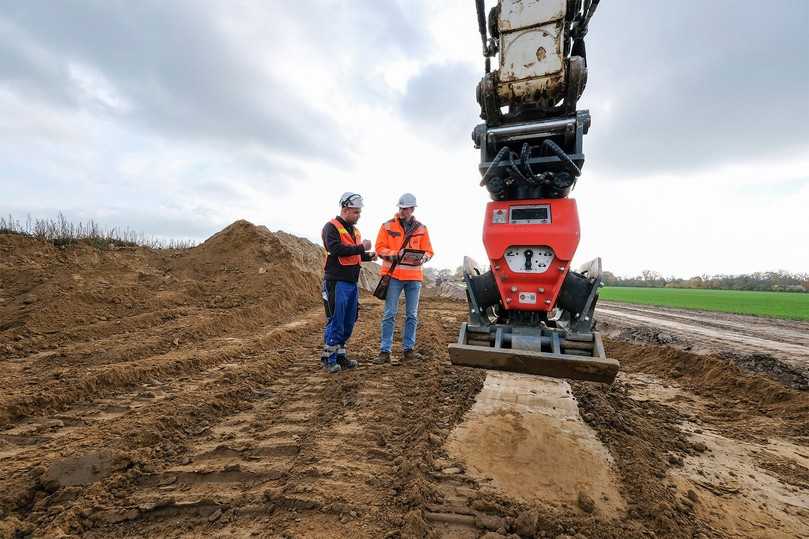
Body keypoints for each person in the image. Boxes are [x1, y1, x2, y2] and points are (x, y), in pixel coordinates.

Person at [373, 193, 434, 366]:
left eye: (405, 208)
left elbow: (429, 251)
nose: (402, 211)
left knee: (411, 315)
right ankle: (385, 351)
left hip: (414, 278)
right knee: (389, 314)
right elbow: (379, 249)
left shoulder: (421, 228)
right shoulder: (387, 226)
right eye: (400, 208)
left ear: (412, 209)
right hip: (394, 277)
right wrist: (395, 254)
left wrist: (424, 258)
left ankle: (409, 350)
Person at [320, 192, 376, 374]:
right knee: (336, 319)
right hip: (336, 281)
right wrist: (361, 248)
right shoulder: (331, 227)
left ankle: (340, 355)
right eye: (356, 212)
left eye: (359, 212)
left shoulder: (355, 231)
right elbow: (335, 249)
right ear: (345, 210)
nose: (359, 215)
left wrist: (368, 256)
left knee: (349, 320)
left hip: (351, 282)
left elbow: (354, 254)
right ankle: (329, 358)